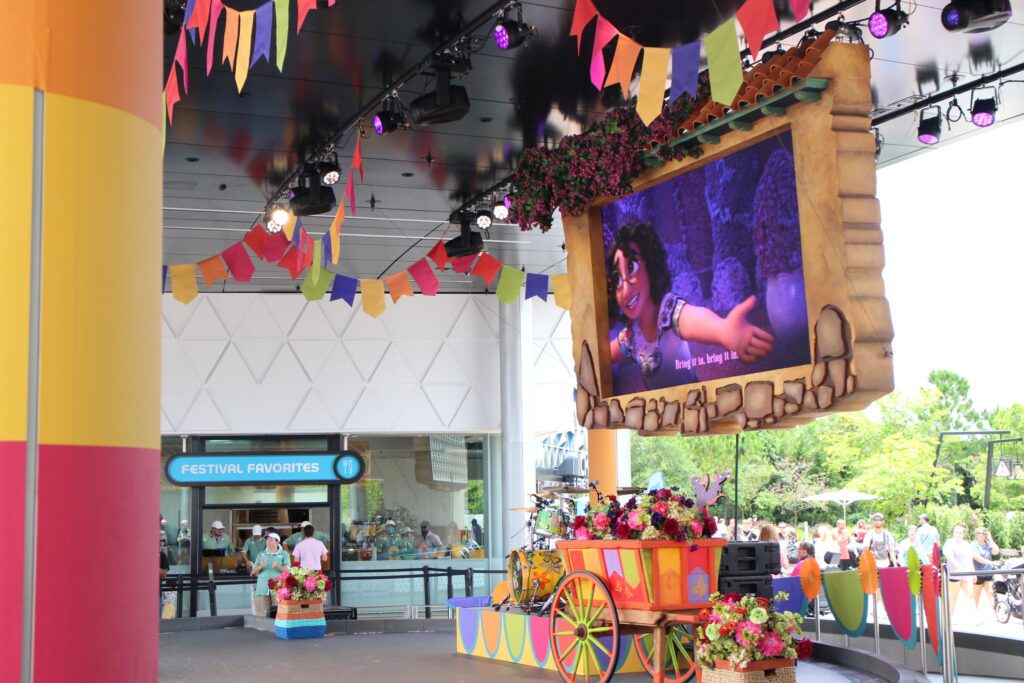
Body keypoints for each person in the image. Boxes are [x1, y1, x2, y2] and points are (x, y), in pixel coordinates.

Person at [606, 222, 774, 392]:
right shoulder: (631, 336)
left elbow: (690, 317)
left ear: (650, 265)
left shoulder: (669, 310)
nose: (625, 290)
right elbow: (604, 356)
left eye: (632, 267)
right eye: (617, 280)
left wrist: (723, 329)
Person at [251, 532, 290, 617]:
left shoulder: (284, 554)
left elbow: (288, 571)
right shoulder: (261, 554)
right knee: (261, 615)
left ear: (277, 542)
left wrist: (277, 566)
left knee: (280, 615)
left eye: (271, 539)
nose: (268, 541)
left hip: (278, 588)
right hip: (262, 587)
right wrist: (260, 566)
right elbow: (253, 572)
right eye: (267, 539)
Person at [943, 524, 976, 617]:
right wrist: (959, 568)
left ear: (963, 534)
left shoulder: (966, 544)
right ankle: (948, 618)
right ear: (953, 533)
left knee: (970, 595)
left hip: (967, 574)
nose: (958, 534)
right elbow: (950, 557)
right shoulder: (949, 543)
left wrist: (974, 573)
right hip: (955, 575)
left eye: (960, 532)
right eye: (956, 532)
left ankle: (974, 617)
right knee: (953, 597)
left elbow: (970, 559)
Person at [970, 527, 1000, 620]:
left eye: (983, 533)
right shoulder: (973, 544)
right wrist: (990, 562)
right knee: (976, 595)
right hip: (978, 573)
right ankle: (975, 615)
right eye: (979, 533)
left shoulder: (988, 544)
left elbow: (996, 551)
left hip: (988, 573)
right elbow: (976, 557)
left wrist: (990, 538)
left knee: (991, 593)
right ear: (976, 534)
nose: (981, 535)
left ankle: (996, 615)